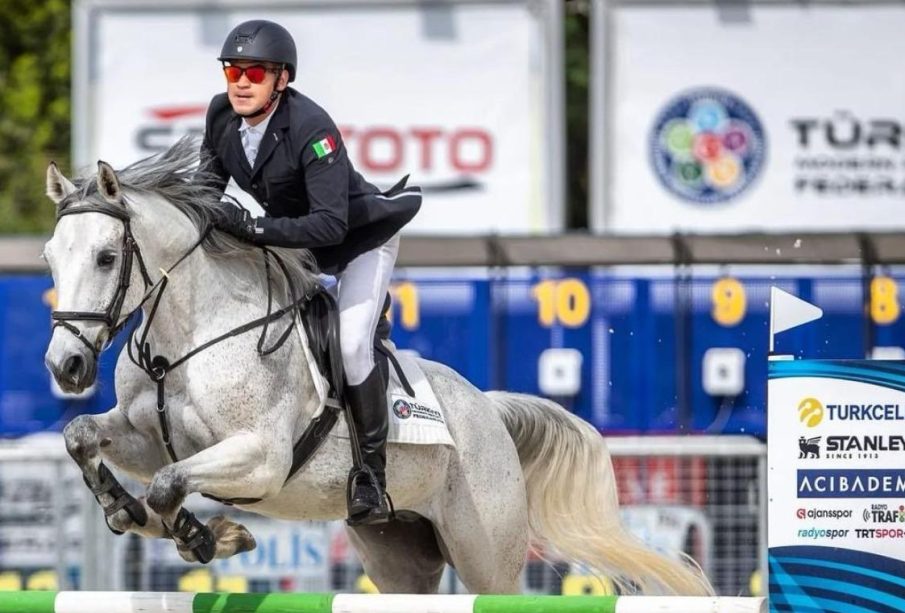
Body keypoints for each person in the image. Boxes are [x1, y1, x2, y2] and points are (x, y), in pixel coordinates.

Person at [200, 19, 421, 526]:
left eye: (254, 71)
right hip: (293, 244)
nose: (239, 81)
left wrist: (251, 225)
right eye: (233, 69)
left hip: (357, 241)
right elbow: (204, 195)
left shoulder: (311, 129)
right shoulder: (220, 117)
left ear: (282, 79)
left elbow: (329, 223)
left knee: (349, 345)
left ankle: (370, 476)